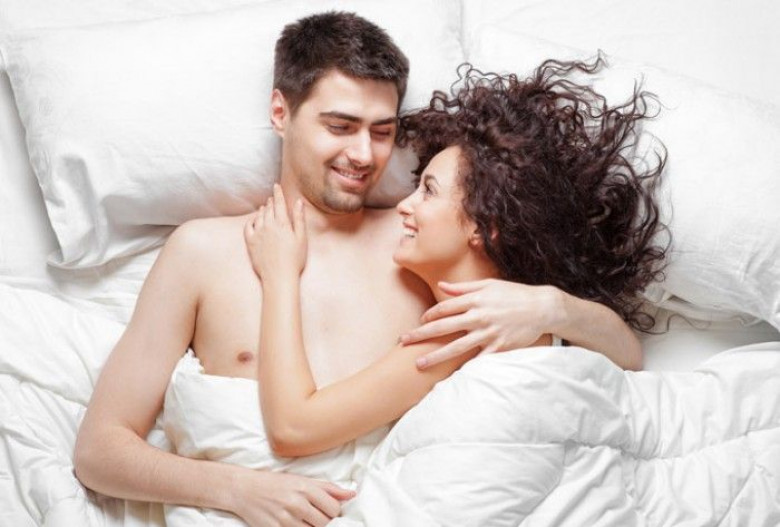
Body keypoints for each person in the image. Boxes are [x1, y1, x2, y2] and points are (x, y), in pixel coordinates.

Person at [74, 12, 646, 527]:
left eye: (383, 131)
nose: (364, 155)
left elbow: (620, 358)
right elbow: (99, 450)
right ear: (281, 112)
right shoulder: (201, 252)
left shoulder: (421, 240)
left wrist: (550, 305)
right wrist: (236, 489)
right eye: (340, 126)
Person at [245, 57, 667, 457]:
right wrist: (551, 306)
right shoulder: (512, 310)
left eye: (428, 191)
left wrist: (279, 274)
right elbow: (630, 354)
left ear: (483, 226)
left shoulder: (467, 327)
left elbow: (294, 428)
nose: (403, 206)